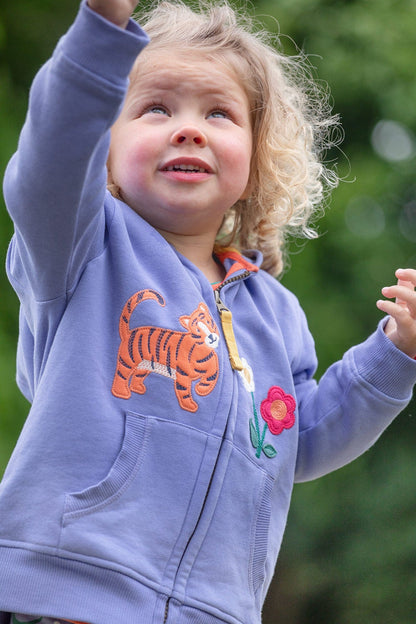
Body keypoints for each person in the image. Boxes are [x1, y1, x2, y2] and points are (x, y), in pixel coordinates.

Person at [1, 0, 415, 622]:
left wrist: (396, 355)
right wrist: (101, 33)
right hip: (69, 593)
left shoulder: (275, 313)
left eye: (219, 112)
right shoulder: (81, 245)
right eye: (155, 108)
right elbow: (49, 162)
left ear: (256, 160)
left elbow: (299, 438)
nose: (188, 128)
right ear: (104, 147)